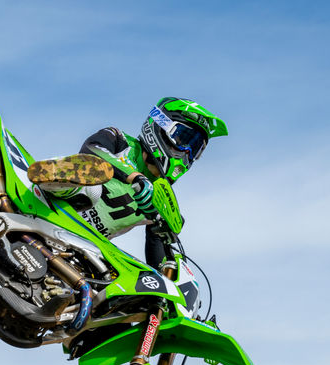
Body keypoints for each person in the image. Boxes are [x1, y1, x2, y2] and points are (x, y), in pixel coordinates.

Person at [27, 98, 227, 271]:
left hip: (81, 248)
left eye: (195, 149)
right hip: (45, 206)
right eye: (183, 139)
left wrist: (169, 254)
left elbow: (159, 262)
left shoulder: (162, 198)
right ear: (160, 126)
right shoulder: (118, 139)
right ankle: (43, 175)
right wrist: (135, 178)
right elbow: (91, 148)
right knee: (92, 186)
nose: (187, 153)